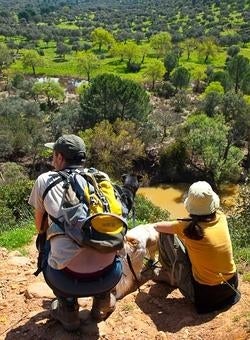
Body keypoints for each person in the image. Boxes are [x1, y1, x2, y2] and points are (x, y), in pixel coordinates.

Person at [29, 134, 140, 331]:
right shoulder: (100, 178)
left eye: (53, 155)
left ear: (60, 158)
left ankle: (68, 309)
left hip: (66, 280)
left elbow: (40, 227)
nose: (52, 160)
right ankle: (102, 302)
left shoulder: (44, 180)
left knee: (45, 242)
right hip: (110, 275)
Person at [154, 181, 240, 314]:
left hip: (205, 298)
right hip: (231, 288)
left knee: (165, 234)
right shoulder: (222, 217)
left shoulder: (185, 227)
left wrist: (181, 221)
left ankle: (168, 273)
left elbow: (158, 227)